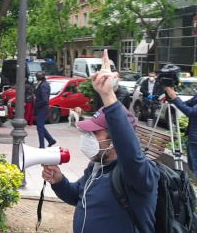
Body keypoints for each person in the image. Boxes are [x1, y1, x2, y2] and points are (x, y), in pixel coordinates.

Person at [42, 51, 159, 233]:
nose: (87, 137)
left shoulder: (137, 175)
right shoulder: (97, 167)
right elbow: (78, 195)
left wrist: (109, 97)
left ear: (115, 140)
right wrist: (58, 181)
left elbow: (131, 154)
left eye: (95, 133)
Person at [165, 87, 197, 176]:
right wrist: (174, 98)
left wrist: (175, 98)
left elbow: (190, 112)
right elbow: (186, 104)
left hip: (195, 140)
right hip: (193, 138)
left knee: (195, 169)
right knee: (193, 167)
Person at [33, 72, 56, 148]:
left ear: (37, 78)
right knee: (40, 126)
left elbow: (44, 99)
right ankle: (51, 140)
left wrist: (36, 104)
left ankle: (42, 145)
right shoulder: (43, 84)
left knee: (40, 127)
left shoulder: (43, 85)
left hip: (42, 109)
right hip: (42, 109)